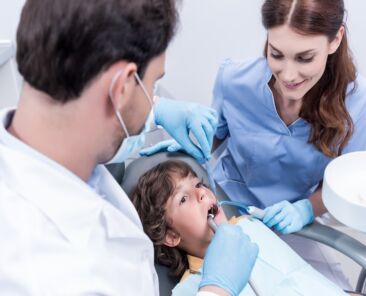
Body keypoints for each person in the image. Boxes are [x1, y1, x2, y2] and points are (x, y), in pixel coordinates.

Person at [0, 0, 259, 295]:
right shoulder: (41, 273)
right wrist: (216, 290)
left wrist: (155, 112)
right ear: (121, 88)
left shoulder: (39, 139)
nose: (153, 98)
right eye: (153, 85)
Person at [141, 0, 366, 288]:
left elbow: (343, 185)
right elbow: (215, 138)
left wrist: (306, 209)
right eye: (276, 54)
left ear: (335, 40)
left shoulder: (357, 106)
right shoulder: (235, 80)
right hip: (229, 202)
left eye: (305, 58)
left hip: (293, 226)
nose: (288, 75)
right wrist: (189, 146)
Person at [132, 160, 348, 295]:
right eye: (183, 199)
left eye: (198, 184)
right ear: (171, 236)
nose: (202, 193)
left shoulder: (250, 224)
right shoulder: (193, 288)